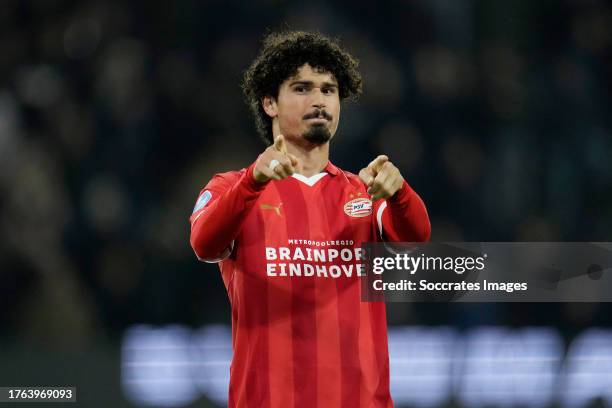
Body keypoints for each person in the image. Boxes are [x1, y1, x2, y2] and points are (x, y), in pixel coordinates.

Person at [189, 31, 430, 408]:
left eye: (328, 90)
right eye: (302, 89)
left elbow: (415, 238)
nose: (319, 100)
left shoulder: (366, 190)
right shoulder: (232, 187)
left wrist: (400, 193)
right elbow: (204, 244)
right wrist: (254, 180)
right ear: (269, 102)